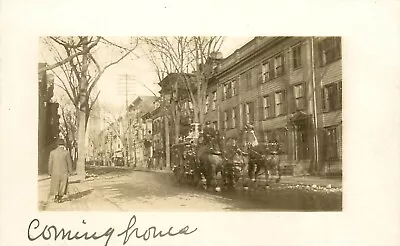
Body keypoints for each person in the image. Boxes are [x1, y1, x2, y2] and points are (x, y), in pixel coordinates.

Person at [48, 138, 73, 203]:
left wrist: (50, 171)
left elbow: (50, 163)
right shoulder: (66, 153)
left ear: (57, 145)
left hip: (55, 171)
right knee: (63, 184)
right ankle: (60, 197)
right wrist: (70, 171)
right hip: (64, 172)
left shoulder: (52, 152)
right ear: (63, 145)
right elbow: (69, 162)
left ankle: (56, 196)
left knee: (55, 184)